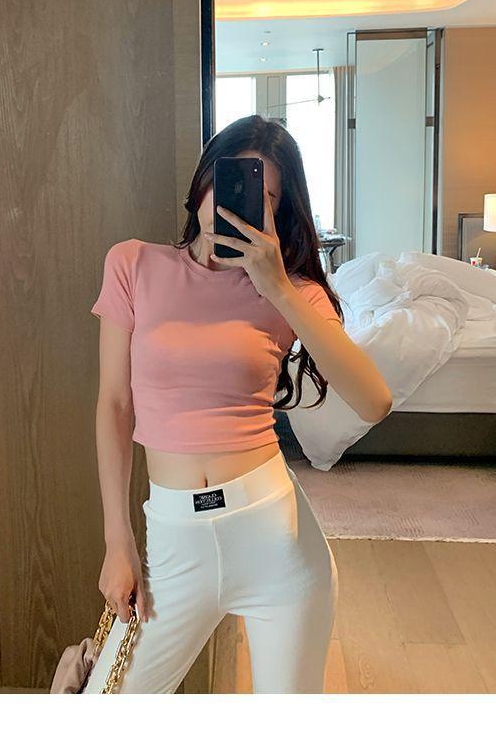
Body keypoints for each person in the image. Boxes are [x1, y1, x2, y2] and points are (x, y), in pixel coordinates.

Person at [82, 115, 392, 694]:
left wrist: (276, 286)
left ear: (278, 213)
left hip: (277, 544)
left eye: (262, 197)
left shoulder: (292, 293)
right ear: (203, 181)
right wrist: (116, 540)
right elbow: (115, 405)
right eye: (226, 181)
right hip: (173, 541)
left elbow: (373, 401)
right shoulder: (133, 264)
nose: (231, 205)